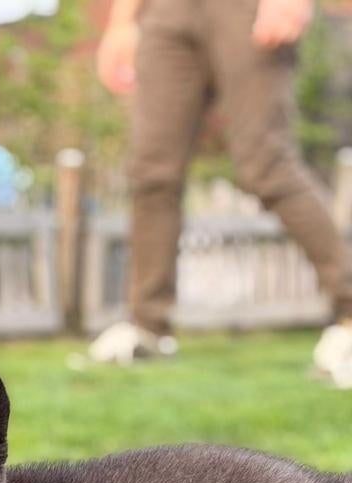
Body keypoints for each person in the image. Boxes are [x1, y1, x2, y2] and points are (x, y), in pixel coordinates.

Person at [87, 0, 352, 386]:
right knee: (152, 173)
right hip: (166, 11)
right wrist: (121, 23)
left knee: (267, 165)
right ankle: (147, 326)